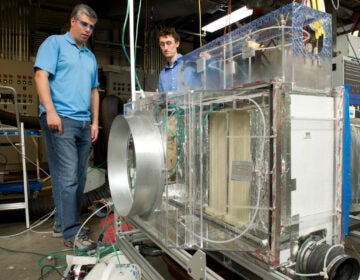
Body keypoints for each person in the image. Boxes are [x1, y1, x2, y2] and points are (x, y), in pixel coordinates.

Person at [34, 4, 99, 250]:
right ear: (72, 21)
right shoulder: (55, 44)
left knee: (79, 177)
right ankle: (72, 233)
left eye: (91, 27)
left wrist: (95, 122)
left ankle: (62, 223)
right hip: (60, 118)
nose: (87, 30)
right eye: (84, 24)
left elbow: (94, 91)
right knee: (68, 176)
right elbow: (40, 76)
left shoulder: (90, 56)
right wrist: (50, 111)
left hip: (83, 123)